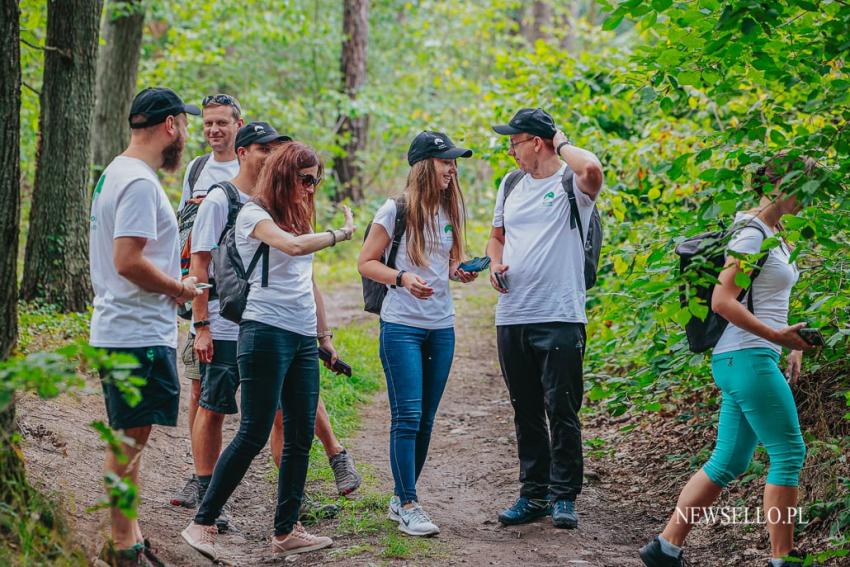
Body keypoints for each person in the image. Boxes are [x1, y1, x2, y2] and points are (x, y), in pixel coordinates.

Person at [638, 155, 818, 567]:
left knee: (730, 460)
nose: (808, 197)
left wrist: (790, 344)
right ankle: (782, 559)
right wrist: (775, 337)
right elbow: (722, 301)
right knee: (789, 453)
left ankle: (665, 548)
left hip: (749, 357)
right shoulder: (751, 233)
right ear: (778, 182)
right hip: (746, 355)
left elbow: (771, 300)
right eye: (803, 186)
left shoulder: (775, 232)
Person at [182, 142, 356, 561]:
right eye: (306, 179)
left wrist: (324, 337)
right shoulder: (252, 214)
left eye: (317, 180)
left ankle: (287, 529)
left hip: (299, 336)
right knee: (254, 431)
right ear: (283, 176)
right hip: (263, 332)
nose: (312, 188)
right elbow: (292, 248)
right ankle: (202, 522)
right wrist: (340, 234)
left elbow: (307, 281)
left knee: (299, 436)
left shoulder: (297, 215)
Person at [89, 87, 202, 567]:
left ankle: (129, 535)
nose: (188, 133)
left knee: (130, 440)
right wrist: (179, 288)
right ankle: (120, 548)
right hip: (134, 331)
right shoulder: (137, 182)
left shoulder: (116, 172)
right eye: (186, 123)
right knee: (130, 443)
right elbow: (128, 261)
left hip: (124, 327)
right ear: (170, 125)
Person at [485, 108, 604, 529]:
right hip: (513, 314)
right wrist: (495, 264)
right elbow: (497, 236)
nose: (510, 150)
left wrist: (561, 140)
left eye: (514, 141)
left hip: (559, 315)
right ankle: (532, 494)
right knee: (526, 408)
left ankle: (563, 496)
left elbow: (590, 166)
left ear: (537, 142)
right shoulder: (511, 183)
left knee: (562, 408)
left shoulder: (572, 183)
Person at [358, 131, 476, 537]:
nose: (453, 169)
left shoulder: (449, 211)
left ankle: (399, 496)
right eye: (446, 162)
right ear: (427, 164)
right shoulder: (395, 209)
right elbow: (366, 262)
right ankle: (409, 503)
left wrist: (460, 271)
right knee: (406, 415)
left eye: (455, 162)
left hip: (441, 327)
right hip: (401, 326)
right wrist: (403, 279)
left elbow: (448, 263)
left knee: (425, 419)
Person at [184, 121, 290, 532]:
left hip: (265, 324)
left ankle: (289, 500)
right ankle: (208, 494)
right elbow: (199, 263)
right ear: (244, 152)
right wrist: (202, 325)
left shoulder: (273, 201)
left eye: (276, 150)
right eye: (265, 149)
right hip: (224, 326)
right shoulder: (219, 199)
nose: (271, 157)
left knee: (280, 412)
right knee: (214, 409)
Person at [173, 93, 244, 508]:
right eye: (207, 124)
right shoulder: (197, 169)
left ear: (238, 123)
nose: (214, 130)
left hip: (243, 297)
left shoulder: (252, 164)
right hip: (203, 294)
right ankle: (199, 474)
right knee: (199, 388)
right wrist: (184, 287)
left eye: (221, 122)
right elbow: (185, 229)